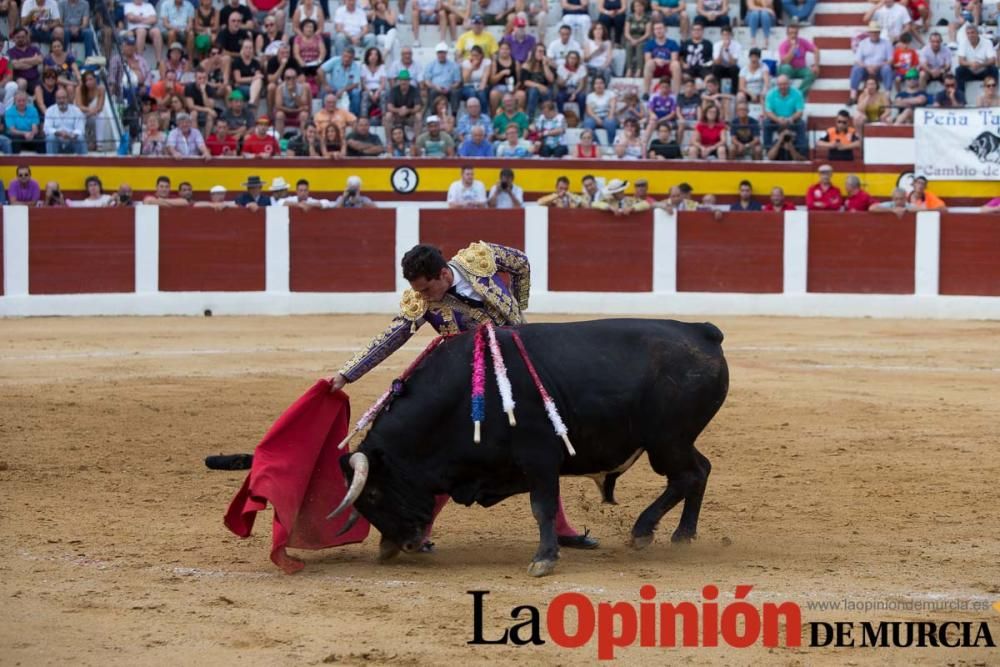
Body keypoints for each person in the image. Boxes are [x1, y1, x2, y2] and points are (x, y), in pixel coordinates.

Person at [329, 242, 599, 551]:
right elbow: (390, 338)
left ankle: (561, 528)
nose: (425, 296)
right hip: (471, 381)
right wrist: (347, 374)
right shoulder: (421, 302)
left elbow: (521, 263)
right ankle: (422, 531)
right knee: (451, 453)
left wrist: (521, 317)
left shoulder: (481, 259)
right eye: (419, 291)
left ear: (444, 273)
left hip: (521, 368)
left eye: (428, 288)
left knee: (538, 444)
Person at [850, 22, 894, 103]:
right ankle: (853, 96)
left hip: (880, 69)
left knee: (887, 68)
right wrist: (867, 67)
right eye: (872, 32)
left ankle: (887, 96)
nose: (874, 34)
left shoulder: (886, 43)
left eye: (876, 32)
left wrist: (878, 66)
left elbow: (890, 60)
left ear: (879, 33)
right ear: (869, 33)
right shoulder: (863, 43)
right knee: (856, 68)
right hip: (866, 69)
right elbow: (857, 60)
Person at [763, 74, 805, 155]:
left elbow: (799, 112)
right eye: (780, 84)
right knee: (766, 124)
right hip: (776, 120)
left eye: (785, 84)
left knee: (801, 124)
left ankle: (801, 151)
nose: (782, 86)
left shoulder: (797, 93)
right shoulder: (770, 94)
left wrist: (790, 119)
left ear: (789, 83)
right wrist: (778, 119)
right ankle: (768, 149)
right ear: (777, 85)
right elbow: (768, 112)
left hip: (792, 120)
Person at [777, 25, 818, 98]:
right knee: (786, 67)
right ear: (787, 34)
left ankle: (799, 94)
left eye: (795, 33)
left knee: (812, 72)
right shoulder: (783, 45)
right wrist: (792, 48)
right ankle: (786, 93)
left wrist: (816, 65)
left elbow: (816, 50)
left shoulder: (802, 41)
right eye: (791, 33)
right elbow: (785, 61)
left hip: (801, 69)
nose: (793, 35)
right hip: (788, 69)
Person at [955, 23, 998, 93]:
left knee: (994, 69)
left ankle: (994, 94)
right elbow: (961, 61)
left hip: (984, 71)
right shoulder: (963, 43)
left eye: (972, 32)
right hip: (970, 71)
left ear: (978, 33)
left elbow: (992, 60)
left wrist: (981, 65)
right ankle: (960, 97)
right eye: (968, 33)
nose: (970, 35)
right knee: (959, 70)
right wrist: (971, 64)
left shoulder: (987, 42)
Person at [44, 88, 86, 155]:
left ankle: (84, 163)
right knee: (50, 138)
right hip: (57, 140)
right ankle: (50, 163)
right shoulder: (50, 111)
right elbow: (47, 129)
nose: (61, 100)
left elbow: (81, 130)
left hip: (71, 140)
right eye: (59, 98)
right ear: (55, 99)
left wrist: (70, 134)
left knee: (80, 138)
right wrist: (59, 133)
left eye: (64, 98)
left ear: (68, 98)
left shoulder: (76, 111)